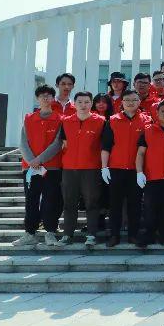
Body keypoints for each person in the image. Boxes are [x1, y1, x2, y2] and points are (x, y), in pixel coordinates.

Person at [56, 91, 105, 246]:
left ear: (91, 103)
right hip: (69, 168)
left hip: (91, 168)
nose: (83, 105)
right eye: (80, 102)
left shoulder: (101, 121)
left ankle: (91, 235)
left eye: (87, 102)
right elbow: (63, 143)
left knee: (92, 202)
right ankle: (67, 235)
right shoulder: (66, 121)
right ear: (74, 104)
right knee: (69, 203)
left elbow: (104, 145)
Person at [17, 85, 64, 247]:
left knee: (51, 200)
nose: (45, 98)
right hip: (30, 168)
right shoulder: (29, 118)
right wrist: (32, 161)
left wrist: (39, 160)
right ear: (37, 98)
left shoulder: (60, 119)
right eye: (42, 95)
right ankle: (30, 233)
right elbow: (23, 142)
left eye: (49, 95)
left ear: (53, 98)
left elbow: (57, 144)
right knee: (31, 200)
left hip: (52, 167)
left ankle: (50, 232)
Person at [99, 89, 148, 247]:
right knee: (115, 204)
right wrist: (104, 167)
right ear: (122, 103)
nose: (131, 103)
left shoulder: (147, 120)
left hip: (137, 170)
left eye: (134, 100)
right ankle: (114, 235)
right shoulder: (113, 120)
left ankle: (133, 235)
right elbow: (106, 146)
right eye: (127, 100)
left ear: (139, 102)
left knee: (135, 204)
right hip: (116, 168)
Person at [136, 100, 164, 247]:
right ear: (157, 113)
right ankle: (149, 235)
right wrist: (139, 172)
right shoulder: (148, 130)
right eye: (162, 111)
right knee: (150, 207)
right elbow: (141, 153)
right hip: (151, 176)